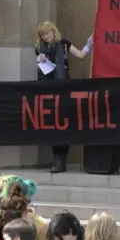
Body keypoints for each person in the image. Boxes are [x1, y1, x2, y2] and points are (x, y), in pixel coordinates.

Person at [34, 21, 93, 173]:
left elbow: (81, 55)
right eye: (43, 34)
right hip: (49, 88)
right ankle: (58, 161)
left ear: (54, 31)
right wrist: (40, 60)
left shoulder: (64, 44)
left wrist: (89, 44)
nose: (46, 36)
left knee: (65, 124)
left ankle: (62, 161)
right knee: (54, 125)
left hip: (65, 86)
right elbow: (42, 69)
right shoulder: (39, 49)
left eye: (47, 33)